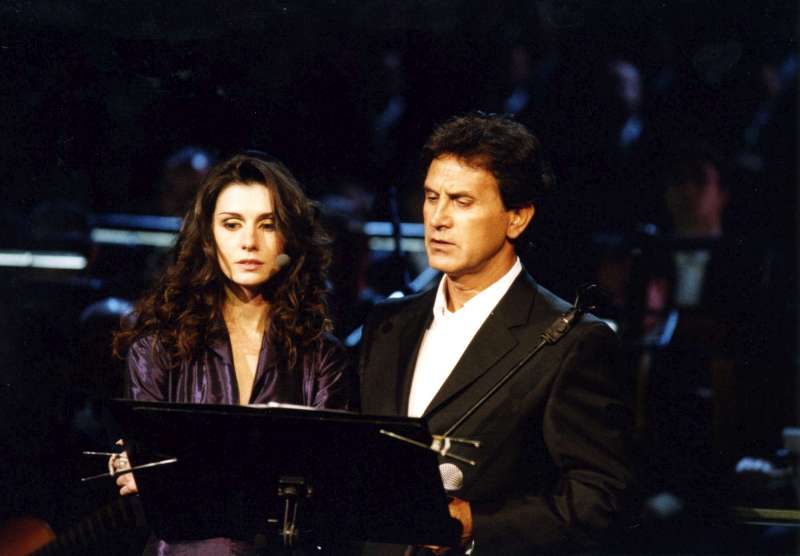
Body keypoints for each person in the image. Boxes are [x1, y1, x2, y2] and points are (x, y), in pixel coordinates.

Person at [359, 113, 637, 554]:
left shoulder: (570, 341)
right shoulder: (388, 324)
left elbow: (599, 498)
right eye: (432, 198)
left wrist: (477, 526)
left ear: (517, 218)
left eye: (462, 201)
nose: (438, 219)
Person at [111, 151, 354, 555]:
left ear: (289, 238)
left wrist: (187, 475)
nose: (248, 242)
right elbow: (150, 497)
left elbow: (326, 491)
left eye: (267, 225)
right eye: (231, 224)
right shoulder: (158, 345)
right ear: (208, 236)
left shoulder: (322, 357)